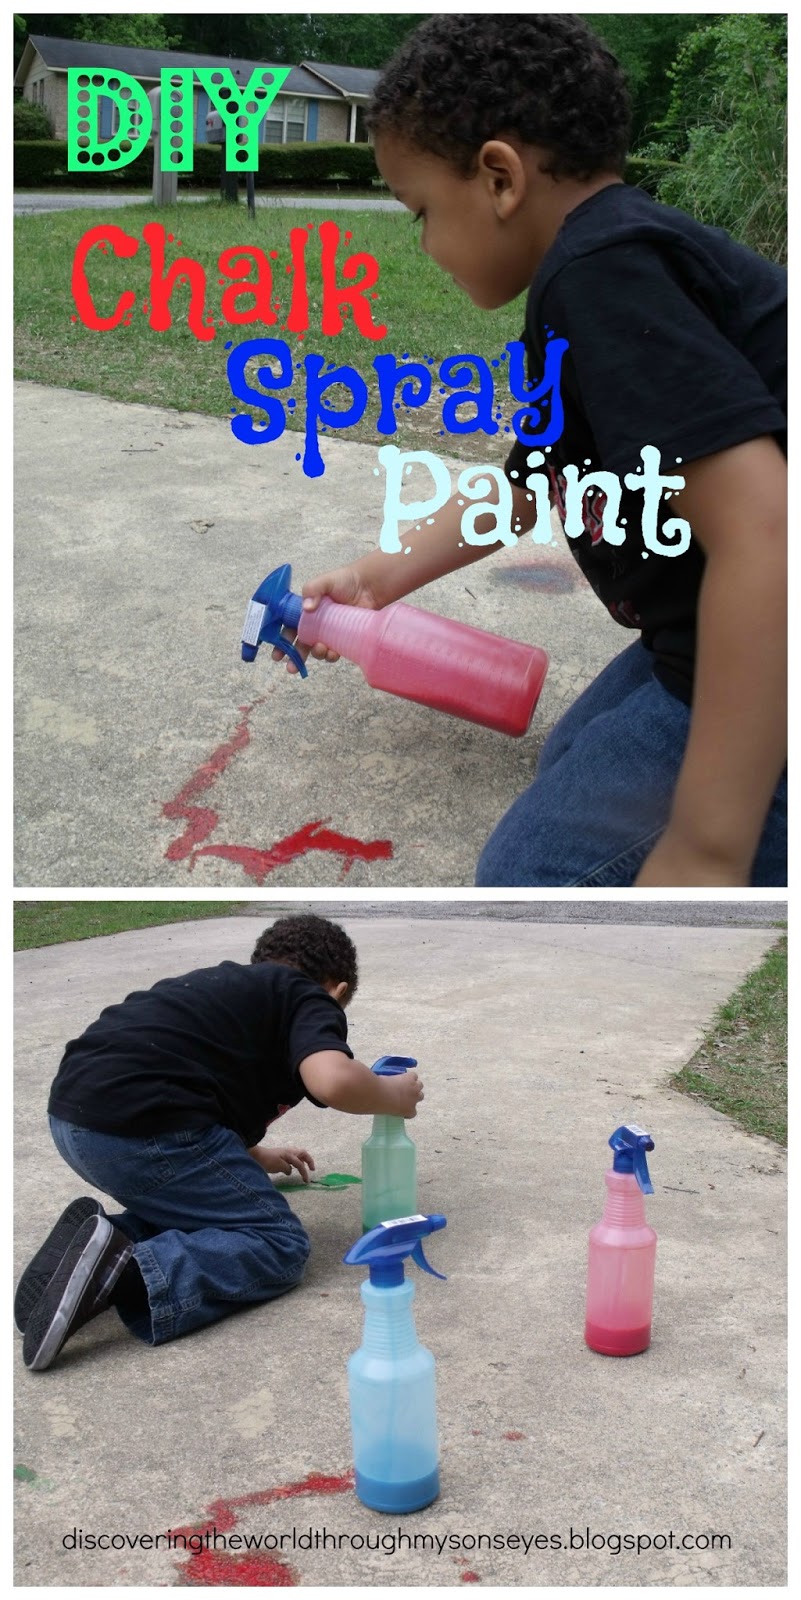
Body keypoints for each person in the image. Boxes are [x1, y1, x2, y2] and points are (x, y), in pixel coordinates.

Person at [276, 14, 786, 888]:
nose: (426, 243)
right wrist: (375, 579)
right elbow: (530, 483)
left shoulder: (600, 273)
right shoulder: (598, 269)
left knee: (531, 870)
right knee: (570, 763)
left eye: (421, 213)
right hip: (693, 626)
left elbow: (769, 534)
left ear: (499, 177)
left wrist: (709, 845)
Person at [15, 914, 423, 1371]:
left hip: (76, 1119)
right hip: (143, 1128)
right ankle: (121, 1273)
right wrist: (393, 1096)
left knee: (204, 1215)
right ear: (339, 991)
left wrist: (252, 1156)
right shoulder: (306, 995)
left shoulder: (228, 995)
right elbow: (332, 1080)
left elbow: (187, 1079)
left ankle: (100, 1242)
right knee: (278, 1243)